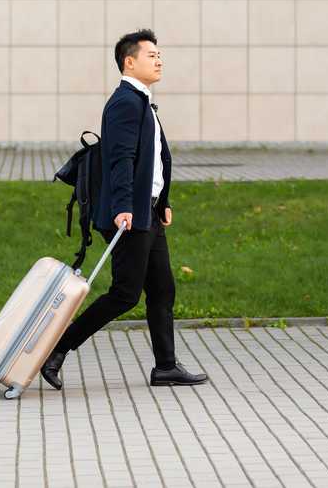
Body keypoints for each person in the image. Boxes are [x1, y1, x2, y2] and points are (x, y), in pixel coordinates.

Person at [41, 29, 208, 389]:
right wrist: (122, 207)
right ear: (129, 62)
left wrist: (162, 203)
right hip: (130, 214)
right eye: (151, 55)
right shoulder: (125, 103)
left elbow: (152, 161)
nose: (159, 60)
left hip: (147, 212)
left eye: (159, 55)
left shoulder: (141, 101)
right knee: (125, 294)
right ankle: (56, 349)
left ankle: (166, 366)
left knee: (162, 289)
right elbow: (120, 160)